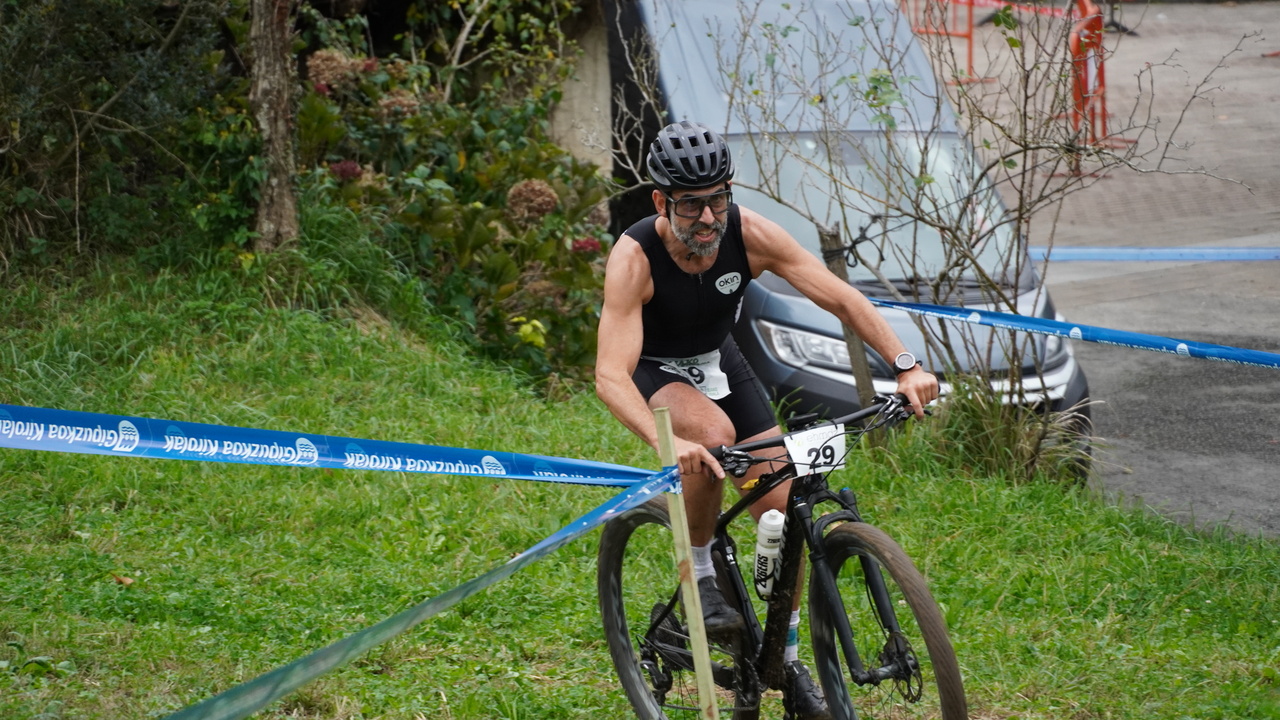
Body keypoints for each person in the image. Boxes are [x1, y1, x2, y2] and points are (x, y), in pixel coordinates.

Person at [594, 120, 940, 720]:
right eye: (691, 204)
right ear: (660, 202)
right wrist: (662, 440)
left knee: (781, 502)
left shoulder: (749, 233)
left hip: (717, 359)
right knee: (712, 438)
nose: (708, 218)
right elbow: (609, 375)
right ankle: (701, 573)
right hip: (654, 367)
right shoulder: (635, 258)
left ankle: (787, 661)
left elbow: (838, 296)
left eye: (719, 199)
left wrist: (905, 365)